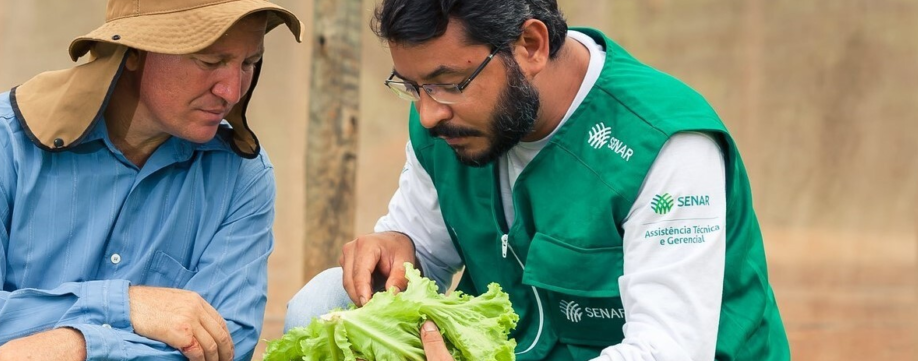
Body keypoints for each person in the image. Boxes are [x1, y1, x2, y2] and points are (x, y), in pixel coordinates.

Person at [286, 0, 790, 360]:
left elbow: (668, 349)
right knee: (326, 306)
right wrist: (400, 243)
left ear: (530, 44)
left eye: (446, 83)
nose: (428, 113)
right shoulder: (448, 122)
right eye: (412, 86)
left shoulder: (663, 144)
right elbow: (425, 258)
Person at [0, 1, 302, 360]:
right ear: (134, 52)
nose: (231, 90)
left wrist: (74, 347)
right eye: (210, 60)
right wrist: (125, 307)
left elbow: (224, 343)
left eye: (248, 63)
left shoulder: (242, 175)